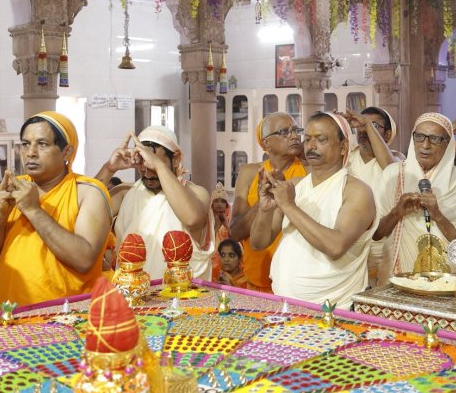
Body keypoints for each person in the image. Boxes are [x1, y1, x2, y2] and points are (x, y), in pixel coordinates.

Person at [0, 112, 112, 311]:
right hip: (7, 317)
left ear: (66, 153)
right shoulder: (16, 188)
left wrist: (33, 210)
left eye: (42, 144)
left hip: (64, 320)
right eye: (25, 144)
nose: (30, 152)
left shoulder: (88, 192)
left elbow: (84, 259)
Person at [251, 112, 375, 309]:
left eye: (321, 139)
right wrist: (264, 211)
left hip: (334, 310)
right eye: (307, 139)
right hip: (284, 305)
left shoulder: (357, 191)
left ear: (343, 147)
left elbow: (336, 246)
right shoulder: (296, 185)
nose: (311, 146)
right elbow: (258, 243)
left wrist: (290, 206)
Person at [100, 125, 213, 280]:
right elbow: (83, 213)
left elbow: (192, 219)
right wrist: (109, 168)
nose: (147, 172)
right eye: (142, 164)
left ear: (176, 158)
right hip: (132, 298)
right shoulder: (125, 193)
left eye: (153, 164)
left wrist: (158, 166)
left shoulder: (196, 193)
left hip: (181, 300)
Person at [374, 113, 456, 278]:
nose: (425, 145)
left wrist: (437, 214)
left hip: (447, 281)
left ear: (448, 143)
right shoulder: (393, 174)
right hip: (398, 278)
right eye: (420, 136)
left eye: (435, 138)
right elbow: (377, 233)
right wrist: (397, 212)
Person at [230, 112, 306, 293]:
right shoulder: (250, 172)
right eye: (284, 131)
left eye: (296, 130)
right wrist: (264, 199)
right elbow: (235, 233)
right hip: (256, 276)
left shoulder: (308, 172)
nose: (294, 136)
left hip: (294, 278)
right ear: (266, 143)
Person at [340, 107, 399, 285]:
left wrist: (366, 124)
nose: (365, 131)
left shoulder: (397, 161)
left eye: (374, 125)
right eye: (361, 125)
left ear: (388, 134)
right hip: (349, 249)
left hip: (382, 251)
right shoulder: (346, 159)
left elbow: (389, 168)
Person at [210, 183, 231, 276]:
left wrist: (227, 225)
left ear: (226, 205)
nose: (219, 204)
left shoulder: (231, 219)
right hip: (211, 259)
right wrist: (217, 226)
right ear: (212, 204)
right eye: (216, 201)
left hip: (229, 258)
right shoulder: (207, 220)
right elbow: (206, 243)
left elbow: (237, 242)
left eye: (222, 201)